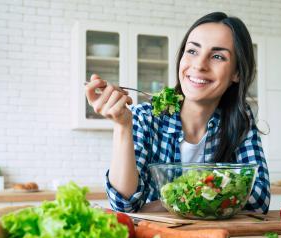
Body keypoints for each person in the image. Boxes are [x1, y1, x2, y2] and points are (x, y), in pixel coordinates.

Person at [85, 12, 270, 213]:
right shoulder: (145, 117)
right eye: (192, 51)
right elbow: (125, 204)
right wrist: (122, 126)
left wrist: (169, 202)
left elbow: (258, 200)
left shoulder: (240, 121)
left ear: (237, 73)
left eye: (217, 56)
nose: (199, 65)